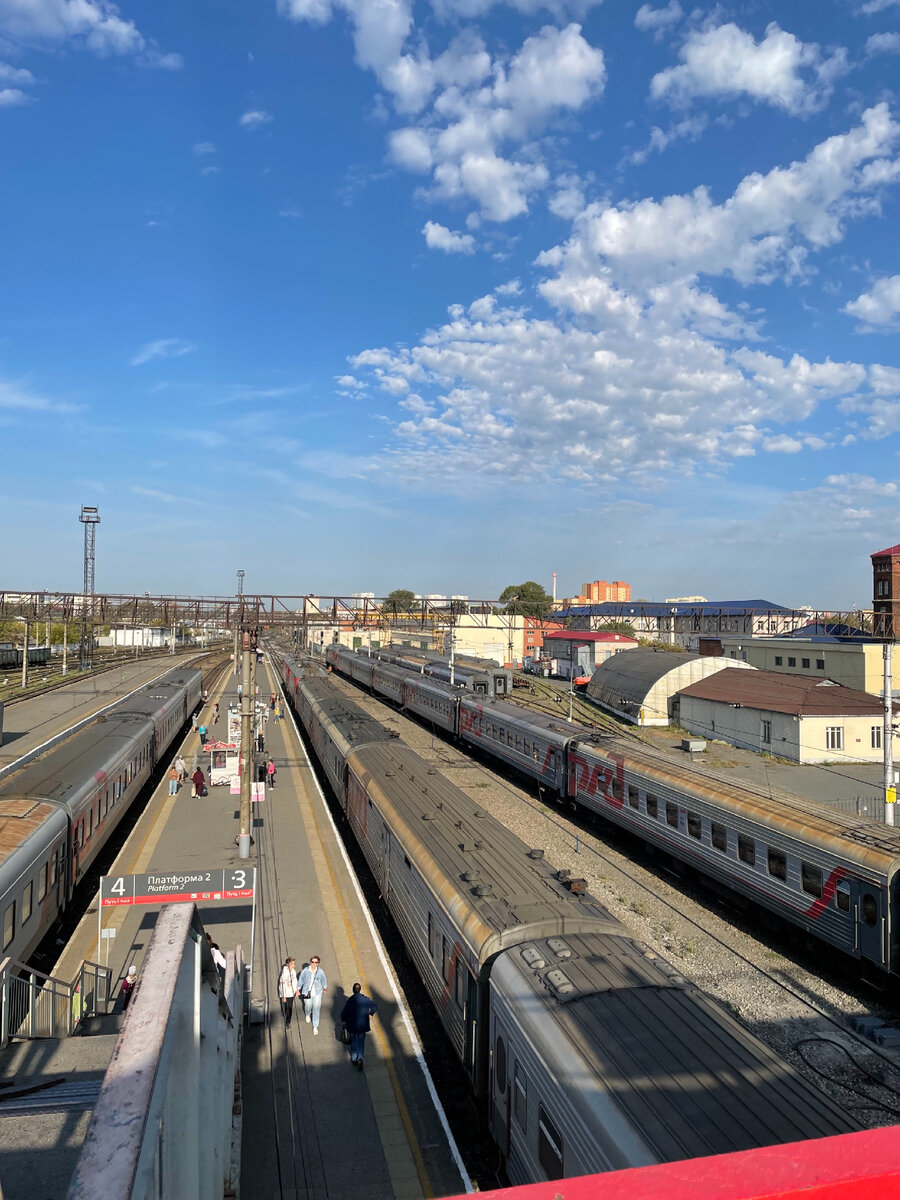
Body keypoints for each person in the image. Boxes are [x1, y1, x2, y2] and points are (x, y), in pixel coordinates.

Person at [341, 982, 377, 1070]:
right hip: (362, 1025)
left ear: (353, 990)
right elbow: (374, 1006)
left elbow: (344, 1013)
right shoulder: (366, 999)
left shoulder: (350, 1000)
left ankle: (353, 1058)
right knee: (361, 1042)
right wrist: (371, 1014)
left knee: (353, 1041)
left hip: (352, 1025)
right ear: (360, 990)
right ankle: (360, 1058)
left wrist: (344, 1020)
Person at [298, 956, 326, 1034]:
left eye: (315, 962)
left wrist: (324, 987)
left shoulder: (320, 971)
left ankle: (315, 1026)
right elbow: (300, 980)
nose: (314, 964)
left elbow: (323, 979)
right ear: (310, 962)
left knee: (316, 1009)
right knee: (308, 1006)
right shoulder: (305, 971)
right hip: (307, 992)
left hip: (317, 992)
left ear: (318, 963)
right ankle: (307, 1014)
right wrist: (298, 989)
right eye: (312, 962)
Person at [278, 956, 299, 1027]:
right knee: (287, 1007)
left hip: (291, 993)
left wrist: (296, 990)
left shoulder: (293, 971)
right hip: (286, 993)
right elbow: (282, 985)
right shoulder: (284, 973)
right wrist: (283, 996)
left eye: (294, 963)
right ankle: (286, 1018)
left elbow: (295, 981)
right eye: (292, 964)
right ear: (288, 964)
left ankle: (288, 1021)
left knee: (290, 1007)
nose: (294, 965)